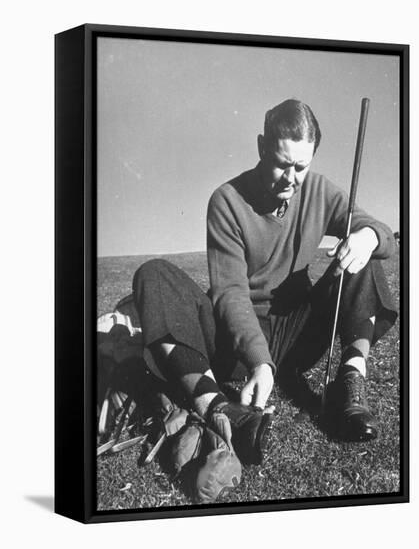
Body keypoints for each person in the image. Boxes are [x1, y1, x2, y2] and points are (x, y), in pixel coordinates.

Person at [128, 99, 397, 469]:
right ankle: (222, 411)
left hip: (298, 334)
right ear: (261, 147)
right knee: (154, 274)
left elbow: (385, 236)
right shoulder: (227, 201)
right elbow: (230, 294)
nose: (291, 177)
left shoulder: (319, 191)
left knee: (362, 255)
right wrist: (260, 362)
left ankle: (349, 384)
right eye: (282, 164)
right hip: (234, 349)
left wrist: (367, 236)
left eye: (301, 166)